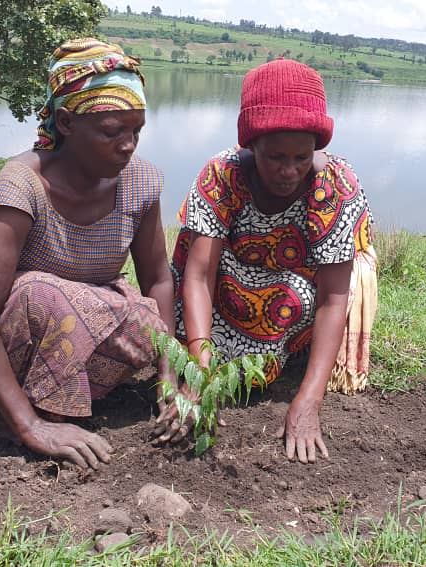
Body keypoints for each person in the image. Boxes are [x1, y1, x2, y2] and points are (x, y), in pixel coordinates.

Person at [0, 38, 177, 470]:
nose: (128, 145)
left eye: (136, 131)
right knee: (42, 295)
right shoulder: (23, 185)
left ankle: (61, 395)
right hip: (16, 322)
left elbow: (158, 278)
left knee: (146, 322)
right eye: (112, 132)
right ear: (66, 122)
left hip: (92, 308)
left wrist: (170, 374)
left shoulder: (140, 182)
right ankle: (27, 410)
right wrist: (30, 427)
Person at [154, 59, 378, 464]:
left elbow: (333, 298)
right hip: (222, 289)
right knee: (182, 295)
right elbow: (199, 277)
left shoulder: (336, 187)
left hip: (291, 297)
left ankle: (266, 361)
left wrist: (309, 400)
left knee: (289, 299)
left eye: (301, 157)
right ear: (251, 145)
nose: (289, 171)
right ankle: (214, 365)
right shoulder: (222, 174)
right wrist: (200, 372)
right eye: (275, 157)